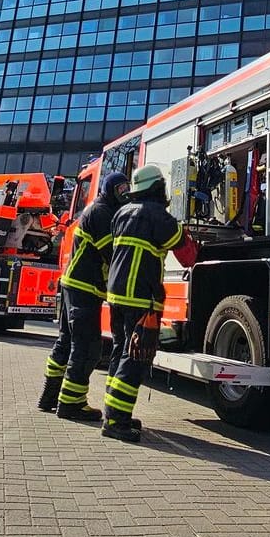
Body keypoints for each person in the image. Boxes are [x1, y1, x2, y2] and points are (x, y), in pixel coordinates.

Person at [102, 163, 198, 443]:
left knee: (121, 351)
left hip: (116, 297)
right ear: (159, 187)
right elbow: (188, 257)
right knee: (136, 358)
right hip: (141, 298)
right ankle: (117, 421)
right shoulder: (160, 217)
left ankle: (113, 412)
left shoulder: (121, 213)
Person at [37, 170, 128, 421]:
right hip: (84, 287)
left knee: (65, 343)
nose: (125, 194)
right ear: (109, 190)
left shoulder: (98, 210)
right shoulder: (101, 212)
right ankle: (71, 404)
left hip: (75, 285)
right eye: (121, 190)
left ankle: (49, 397)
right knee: (87, 345)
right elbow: (112, 252)